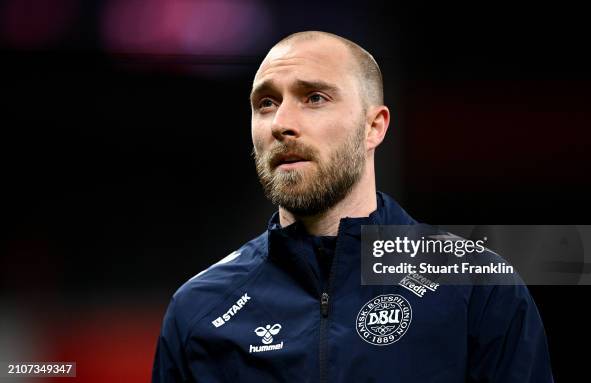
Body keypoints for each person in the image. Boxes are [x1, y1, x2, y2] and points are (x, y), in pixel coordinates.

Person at [152, 31, 554, 382]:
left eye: (314, 97)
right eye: (267, 103)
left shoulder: (476, 287)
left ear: (373, 127)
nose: (281, 123)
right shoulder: (198, 310)